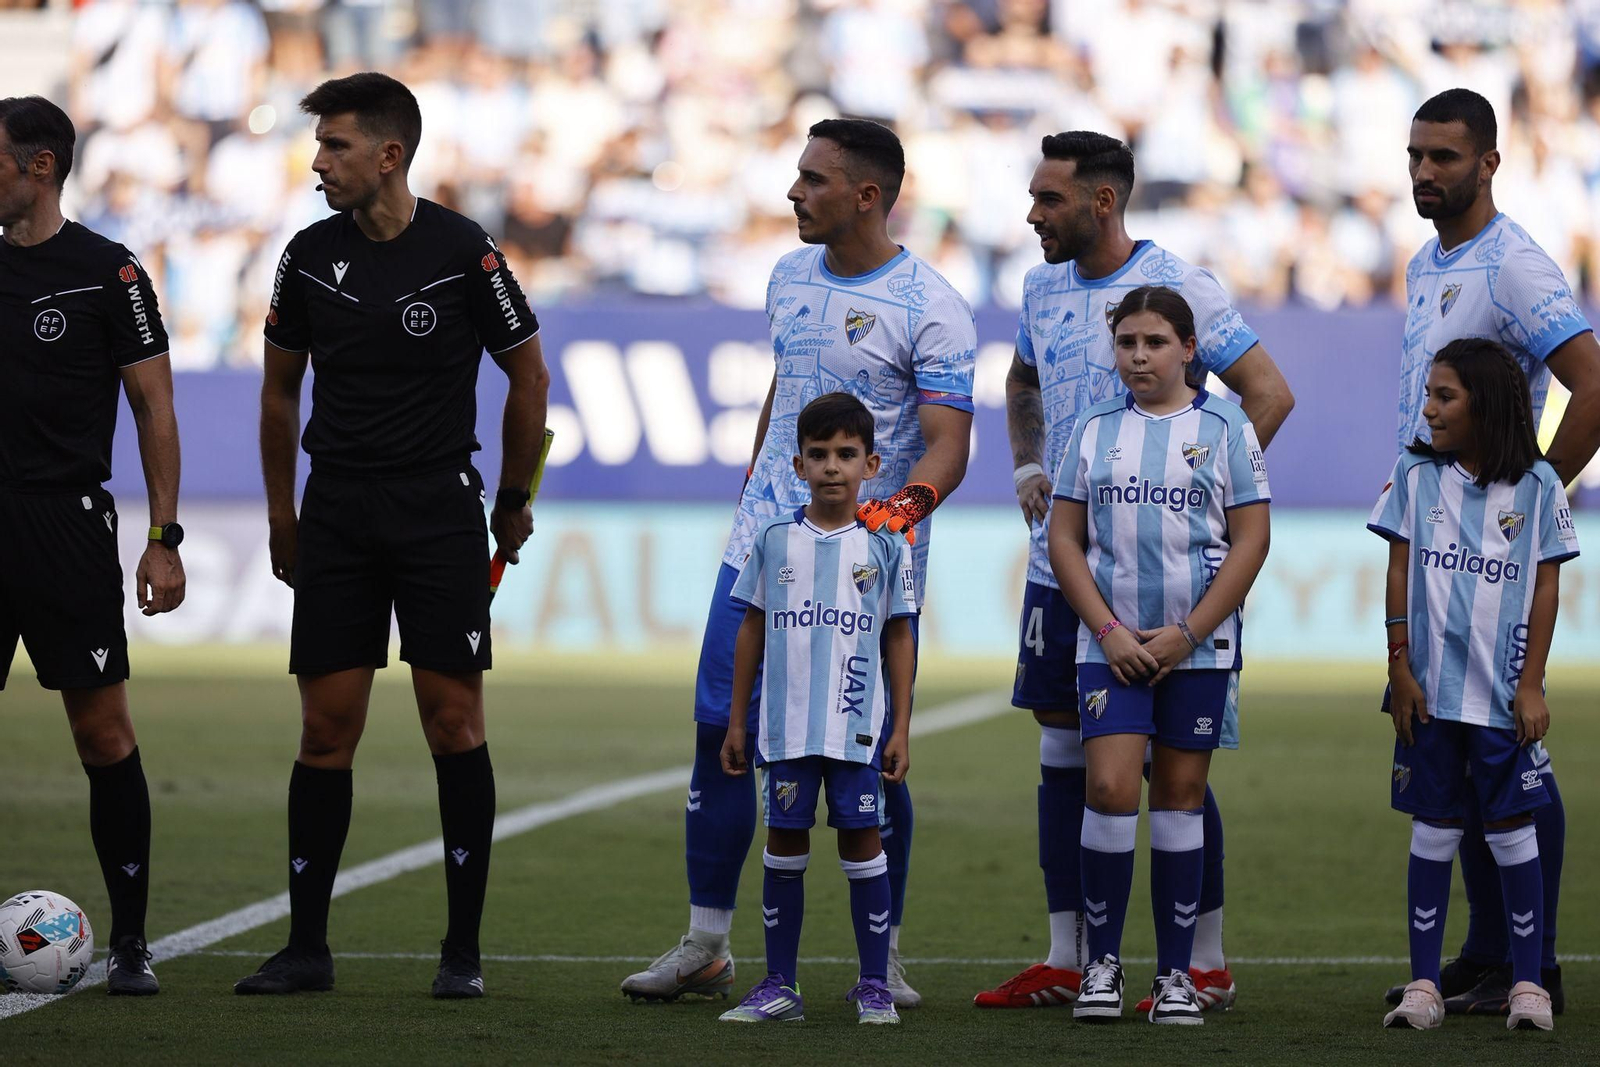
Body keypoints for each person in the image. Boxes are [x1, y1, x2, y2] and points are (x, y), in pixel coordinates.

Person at [621, 118, 975, 1009]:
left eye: (813, 179)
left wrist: (891, 518)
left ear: (866, 195)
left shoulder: (932, 304)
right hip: (761, 552)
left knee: (870, 758)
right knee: (720, 735)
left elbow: (948, 445)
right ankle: (707, 942)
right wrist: (754, 484)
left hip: (865, 574)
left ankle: (879, 955)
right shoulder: (784, 275)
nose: (793, 192)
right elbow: (788, 389)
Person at [235, 72, 550, 999]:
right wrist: (283, 511)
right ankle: (307, 948)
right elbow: (280, 390)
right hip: (335, 510)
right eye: (319, 145)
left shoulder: (464, 252)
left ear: (389, 154)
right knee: (325, 728)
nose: (318, 162)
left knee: (453, 721)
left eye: (335, 146)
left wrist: (514, 493)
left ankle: (461, 954)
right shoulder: (306, 256)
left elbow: (527, 377)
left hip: (436, 512)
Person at [978, 131, 1293, 1014]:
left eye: (1048, 200)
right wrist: (1028, 466)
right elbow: (1020, 378)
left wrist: (1183, 497)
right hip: (1066, 564)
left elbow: (1266, 392)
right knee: (1067, 741)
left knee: (1173, 766)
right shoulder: (1040, 286)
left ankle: (1206, 959)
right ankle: (1070, 955)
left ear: (1102, 202)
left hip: (1171, 579)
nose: (1033, 215)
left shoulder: (1179, 283)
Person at [1381, 88, 1600, 1016]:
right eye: (1417, 155)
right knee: (1455, 753)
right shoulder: (1426, 263)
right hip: (1431, 554)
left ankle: (1534, 961)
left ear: (1489, 163)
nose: (1427, 171)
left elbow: (1591, 383)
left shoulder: (1512, 264)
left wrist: (1528, 496)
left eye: (1446, 156)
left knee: (1510, 756)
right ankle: (1482, 952)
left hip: (1486, 564)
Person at [0, 95, 185, 996]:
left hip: (66, 527)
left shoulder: (106, 272)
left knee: (102, 733)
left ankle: (132, 941)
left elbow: (154, 405)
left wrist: (163, 537)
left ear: (38, 167)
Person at [1047, 285, 1272, 1025]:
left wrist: (1190, 632)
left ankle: (1176, 974)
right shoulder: (1093, 427)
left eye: (1153, 342)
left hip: (1196, 651)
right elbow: (1065, 539)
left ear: (1188, 348)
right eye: (1126, 343)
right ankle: (1101, 967)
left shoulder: (1227, 426)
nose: (1138, 356)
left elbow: (1250, 540)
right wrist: (1108, 630)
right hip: (1108, 647)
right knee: (1110, 788)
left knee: (1179, 798)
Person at [1372, 338, 1577, 1033]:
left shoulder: (1540, 485)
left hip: (1498, 696)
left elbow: (1546, 587)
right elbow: (1399, 572)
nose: (1427, 408)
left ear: (1484, 404)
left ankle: (1528, 985)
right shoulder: (1413, 474)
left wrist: (1532, 684)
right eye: (1428, 394)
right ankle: (1424, 985)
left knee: (1514, 830)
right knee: (1433, 830)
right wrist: (1398, 666)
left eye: (1443, 396)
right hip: (1428, 693)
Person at [715, 392, 917, 1025]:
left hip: (856, 729)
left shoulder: (887, 545)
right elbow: (751, 628)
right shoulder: (775, 541)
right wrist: (737, 721)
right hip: (784, 728)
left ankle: (874, 983)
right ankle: (780, 984)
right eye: (819, 454)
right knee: (784, 842)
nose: (833, 466)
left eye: (846, 454)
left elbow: (899, 635)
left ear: (871, 464)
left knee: (862, 841)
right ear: (798, 465)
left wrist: (901, 726)